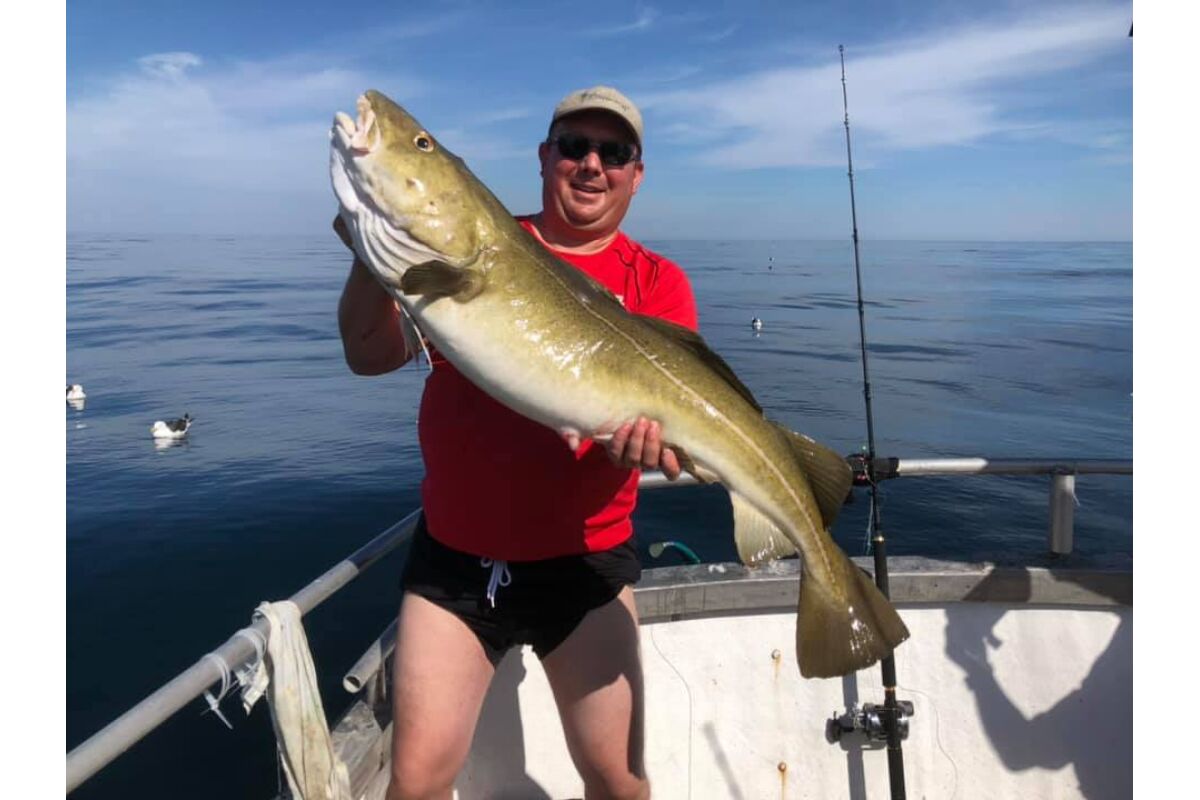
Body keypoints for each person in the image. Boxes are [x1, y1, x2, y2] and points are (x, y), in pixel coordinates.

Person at [337, 85, 697, 800]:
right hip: (455, 564)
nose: (591, 164)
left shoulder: (656, 283)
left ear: (635, 174)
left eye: (613, 152)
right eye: (574, 146)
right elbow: (368, 354)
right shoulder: (469, 248)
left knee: (620, 783)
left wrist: (652, 447)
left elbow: (677, 443)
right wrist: (372, 248)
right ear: (544, 157)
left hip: (585, 568)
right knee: (415, 784)